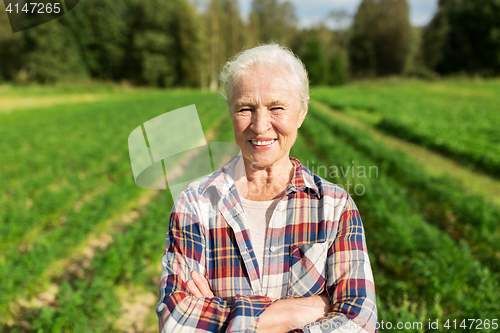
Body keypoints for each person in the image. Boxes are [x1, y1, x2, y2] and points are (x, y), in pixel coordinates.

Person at [156, 44, 377, 333]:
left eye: (277, 108)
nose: (260, 126)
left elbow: (360, 322)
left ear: (302, 112)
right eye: (245, 108)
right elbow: (175, 322)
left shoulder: (335, 207)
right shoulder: (196, 204)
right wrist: (301, 310)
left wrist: (223, 318)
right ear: (230, 112)